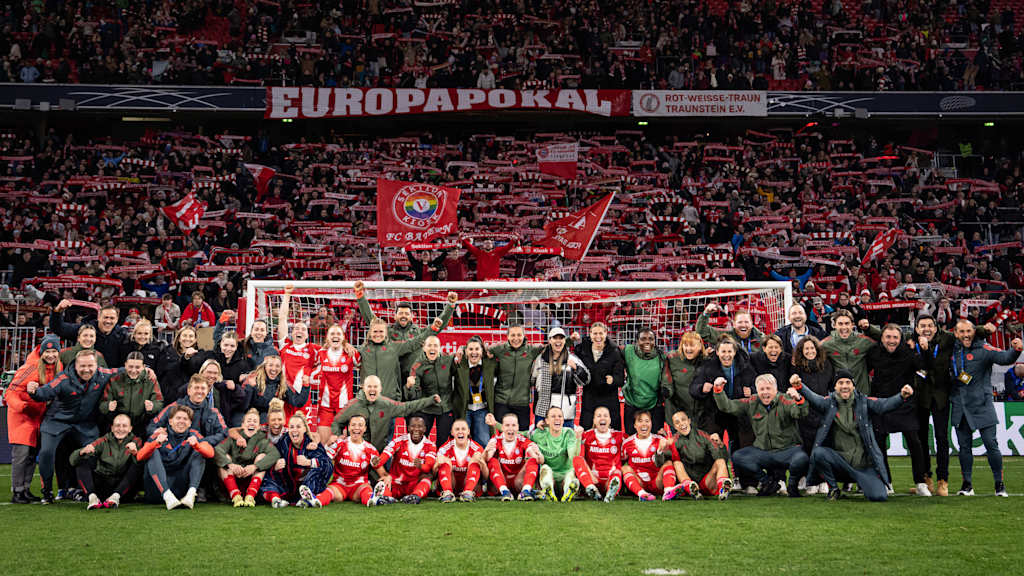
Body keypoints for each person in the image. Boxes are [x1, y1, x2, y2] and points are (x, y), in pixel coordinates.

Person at [27, 349, 141, 504]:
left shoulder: (102, 374)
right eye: (83, 366)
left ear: (96, 365)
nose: (87, 369)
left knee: (94, 450)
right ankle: (47, 492)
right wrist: (33, 391)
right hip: (56, 421)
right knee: (46, 452)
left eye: (90, 365)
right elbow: (45, 392)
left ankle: (90, 490)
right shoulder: (63, 378)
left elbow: (121, 369)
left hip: (84, 424)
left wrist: (147, 370)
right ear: (75, 365)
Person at [793, 369, 915, 502]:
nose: (844, 386)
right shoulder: (829, 402)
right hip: (840, 464)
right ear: (835, 387)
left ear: (853, 386)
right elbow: (814, 398)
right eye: (840, 383)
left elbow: (884, 405)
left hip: (863, 467)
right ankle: (834, 488)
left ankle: (862, 482)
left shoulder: (864, 402)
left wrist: (901, 396)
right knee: (818, 452)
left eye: (847, 382)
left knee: (878, 496)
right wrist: (800, 386)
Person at [910, 314, 992, 497]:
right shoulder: (910, 342)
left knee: (942, 439)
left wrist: (984, 330)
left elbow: (965, 332)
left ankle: (943, 481)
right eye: (922, 326)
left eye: (930, 325)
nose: (926, 329)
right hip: (920, 397)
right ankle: (925, 480)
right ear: (916, 329)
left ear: (936, 327)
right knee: (921, 439)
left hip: (941, 396)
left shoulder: (946, 338)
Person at [948, 320, 1022, 497]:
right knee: (964, 447)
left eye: (969, 331)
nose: (966, 335)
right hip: (960, 406)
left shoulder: (985, 349)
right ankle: (967, 485)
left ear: (974, 332)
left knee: (991, 444)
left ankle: (999, 484)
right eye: (961, 332)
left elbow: (1005, 358)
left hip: (982, 404)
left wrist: (1016, 349)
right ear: (956, 334)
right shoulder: (951, 350)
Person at [714, 374, 808, 497]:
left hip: (787, 450)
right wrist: (718, 389)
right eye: (761, 389)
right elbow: (728, 406)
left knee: (802, 458)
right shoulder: (752, 401)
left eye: (768, 389)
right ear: (757, 390)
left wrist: (798, 399)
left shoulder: (785, 400)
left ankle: (792, 485)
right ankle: (767, 482)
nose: (765, 392)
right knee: (738, 456)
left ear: (776, 389)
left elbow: (800, 413)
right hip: (763, 452)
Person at [357, 286, 457, 401]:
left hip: (414, 378)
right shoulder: (387, 332)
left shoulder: (419, 332)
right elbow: (371, 319)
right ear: (395, 316)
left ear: (412, 316)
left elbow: (437, 327)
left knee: (414, 414)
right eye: (400, 313)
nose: (403, 315)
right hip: (394, 380)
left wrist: (450, 306)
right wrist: (361, 298)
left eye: (406, 313)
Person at [865, 323, 929, 496]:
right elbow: (863, 370)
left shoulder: (909, 354)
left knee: (915, 443)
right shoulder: (873, 353)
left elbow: (924, 369)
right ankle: (887, 482)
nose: (891, 341)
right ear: (882, 338)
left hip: (904, 404)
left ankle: (920, 482)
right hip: (880, 405)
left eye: (895, 337)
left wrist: (915, 385)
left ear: (900, 339)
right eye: (888, 337)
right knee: (879, 446)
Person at [690, 336, 757, 490]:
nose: (726, 355)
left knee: (744, 444)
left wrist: (751, 391)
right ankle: (710, 482)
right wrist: (702, 388)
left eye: (729, 351)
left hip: (739, 412)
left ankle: (747, 482)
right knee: (711, 445)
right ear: (718, 353)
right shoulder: (708, 367)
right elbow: (693, 388)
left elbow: (756, 385)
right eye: (723, 351)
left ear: (734, 352)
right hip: (714, 412)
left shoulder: (745, 366)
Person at [4, 334, 61, 503]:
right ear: (41, 351)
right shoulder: (30, 367)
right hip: (22, 417)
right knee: (21, 455)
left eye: (54, 351)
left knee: (31, 456)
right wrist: (22, 406)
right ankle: (17, 491)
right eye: (47, 351)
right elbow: (10, 392)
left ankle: (25, 489)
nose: (51, 355)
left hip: (38, 417)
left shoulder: (58, 367)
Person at [331, 375, 442, 452]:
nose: (372, 389)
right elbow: (336, 422)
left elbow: (407, 407)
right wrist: (338, 435)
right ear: (363, 388)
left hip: (378, 454)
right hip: (356, 453)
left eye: (375, 387)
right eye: (369, 386)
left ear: (380, 389)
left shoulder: (386, 404)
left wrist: (430, 400)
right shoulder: (353, 405)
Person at [137, 405, 216, 509]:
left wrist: (197, 445)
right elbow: (139, 456)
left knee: (199, 452)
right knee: (152, 452)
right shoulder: (160, 434)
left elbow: (211, 453)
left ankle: (191, 495)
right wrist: (155, 443)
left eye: (185, 419)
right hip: (158, 490)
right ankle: (167, 495)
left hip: (180, 491)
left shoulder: (193, 434)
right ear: (170, 421)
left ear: (190, 423)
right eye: (178, 418)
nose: (181, 421)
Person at [70, 413, 143, 509]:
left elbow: (141, 466)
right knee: (81, 461)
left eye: (124, 426)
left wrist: (135, 453)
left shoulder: (136, 441)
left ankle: (115, 497)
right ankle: (92, 498)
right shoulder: (103, 441)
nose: (120, 429)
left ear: (130, 429)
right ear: (112, 428)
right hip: (103, 484)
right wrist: (82, 452)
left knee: (137, 465)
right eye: (117, 425)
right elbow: (72, 460)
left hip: (123, 488)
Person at [791, 336, 833, 494]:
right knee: (807, 446)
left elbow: (831, 386)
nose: (810, 351)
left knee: (822, 446)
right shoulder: (796, 367)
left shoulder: (826, 365)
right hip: (805, 412)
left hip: (823, 411)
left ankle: (822, 480)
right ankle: (808, 479)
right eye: (806, 349)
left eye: (812, 348)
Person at [263, 413, 333, 508]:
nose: (294, 430)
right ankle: (275, 499)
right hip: (288, 486)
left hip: (308, 483)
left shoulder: (312, 443)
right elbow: (271, 456)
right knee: (267, 471)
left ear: (304, 429)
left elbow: (328, 465)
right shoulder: (284, 441)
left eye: (298, 427)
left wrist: (309, 462)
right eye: (291, 427)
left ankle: (306, 498)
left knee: (317, 470)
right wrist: (275, 465)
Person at [215, 408, 280, 507]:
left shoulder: (263, 440)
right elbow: (218, 450)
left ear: (258, 427)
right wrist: (230, 465)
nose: (252, 423)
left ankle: (250, 496)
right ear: (242, 425)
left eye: (255, 422)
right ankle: (235, 496)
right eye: (249, 421)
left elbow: (275, 454)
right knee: (225, 459)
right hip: (233, 476)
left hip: (250, 478)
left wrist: (255, 467)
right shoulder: (234, 438)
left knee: (262, 456)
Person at [277, 285, 321, 426]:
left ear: (307, 335)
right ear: (292, 332)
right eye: (296, 328)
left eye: (303, 329)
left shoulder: (313, 349)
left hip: (302, 396)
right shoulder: (285, 345)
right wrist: (287, 294)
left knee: (301, 429)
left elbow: (332, 349)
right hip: (283, 393)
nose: (299, 330)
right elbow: (282, 318)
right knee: (281, 428)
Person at [664, 409, 732, 500]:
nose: (681, 424)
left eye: (683, 420)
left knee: (720, 461)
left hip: (707, 481)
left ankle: (723, 490)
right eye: (677, 422)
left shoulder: (703, 435)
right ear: (675, 427)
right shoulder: (674, 441)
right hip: (688, 480)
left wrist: (720, 444)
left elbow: (721, 458)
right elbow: (662, 463)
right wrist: (662, 449)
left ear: (689, 421)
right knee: (676, 463)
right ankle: (691, 488)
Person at [531, 327, 590, 428]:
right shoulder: (540, 359)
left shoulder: (572, 358)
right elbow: (532, 379)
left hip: (565, 413)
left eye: (561, 338)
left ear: (564, 340)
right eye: (555, 338)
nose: (558, 341)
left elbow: (586, 380)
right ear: (550, 340)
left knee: (566, 442)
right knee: (542, 442)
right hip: (543, 413)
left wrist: (576, 368)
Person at [148, 374, 228, 448]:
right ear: (189, 391)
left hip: (199, 452)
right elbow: (152, 426)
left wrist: (200, 442)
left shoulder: (213, 412)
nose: (200, 391)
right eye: (196, 388)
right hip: (173, 451)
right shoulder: (173, 407)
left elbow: (223, 433)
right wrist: (157, 431)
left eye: (203, 388)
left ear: (207, 392)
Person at [489, 324, 544, 430]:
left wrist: (569, 340)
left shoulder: (531, 350)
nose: (516, 338)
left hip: (522, 402)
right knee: (502, 436)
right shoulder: (500, 349)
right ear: (507, 336)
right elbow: (481, 349)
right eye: (512, 335)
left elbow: (552, 347)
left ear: (524, 336)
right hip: (501, 402)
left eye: (519, 335)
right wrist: (461, 349)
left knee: (522, 435)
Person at [312, 324, 359, 443]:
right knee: (323, 442)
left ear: (343, 338)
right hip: (325, 406)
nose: (335, 336)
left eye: (338, 334)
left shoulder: (351, 353)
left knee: (341, 444)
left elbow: (365, 363)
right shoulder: (320, 353)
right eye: (332, 334)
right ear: (327, 338)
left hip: (344, 407)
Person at [573, 322, 625, 430]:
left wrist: (613, 380)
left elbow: (620, 378)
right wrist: (571, 340)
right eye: (595, 333)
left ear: (606, 333)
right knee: (586, 431)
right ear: (590, 334)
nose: (598, 337)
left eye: (601, 333)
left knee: (612, 432)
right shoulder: (582, 349)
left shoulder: (614, 351)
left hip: (608, 397)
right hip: (589, 396)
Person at [100, 351, 164, 437]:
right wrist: (108, 406)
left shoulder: (150, 380)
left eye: (137, 367)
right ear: (125, 365)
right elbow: (102, 404)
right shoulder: (115, 379)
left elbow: (159, 402)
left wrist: (152, 406)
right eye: (130, 367)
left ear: (143, 367)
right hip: (119, 425)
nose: (133, 371)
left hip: (141, 425)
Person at [49, 299, 131, 367]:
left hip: (110, 379)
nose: (108, 321)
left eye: (112, 318)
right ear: (99, 317)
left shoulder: (122, 335)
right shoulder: (85, 330)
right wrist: (57, 311)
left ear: (117, 320)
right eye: (105, 317)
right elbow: (58, 328)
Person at [374, 416, 436, 504]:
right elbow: (385, 456)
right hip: (396, 483)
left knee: (428, 476)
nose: (416, 429)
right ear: (408, 428)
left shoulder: (430, 445)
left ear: (425, 429)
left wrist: (421, 466)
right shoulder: (398, 441)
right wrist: (377, 461)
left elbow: (428, 467)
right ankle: (387, 497)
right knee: (383, 481)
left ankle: (415, 496)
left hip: (413, 485)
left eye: (419, 426)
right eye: (413, 426)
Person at [406, 335, 456, 443]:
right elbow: (414, 394)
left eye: (435, 345)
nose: (432, 348)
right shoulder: (417, 366)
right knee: (420, 439)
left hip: (445, 407)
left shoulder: (448, 360)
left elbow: (460, 368)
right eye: (429, 345)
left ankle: (439, 459)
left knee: (443, 441)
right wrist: (409, 387)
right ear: (424, 348)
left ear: (440, 348)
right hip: (426, 408)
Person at [620, 410, 679, 501]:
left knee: (668, 463)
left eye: (647, 421)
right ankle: (642, 494)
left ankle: (668, 491)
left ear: (651, 424)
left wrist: (660, 450)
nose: (644, 424)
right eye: (640, 421)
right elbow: (620, 462)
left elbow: (667, 461)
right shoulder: (627, 443)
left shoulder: (659, 440)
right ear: (635, 425)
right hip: (639, 483)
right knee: (625, 468)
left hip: (656, 482)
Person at [484, 412, 542, 501]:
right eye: (507, 425)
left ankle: (525, 491)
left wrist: (538, 454)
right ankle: (505, 492)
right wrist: (486, 450)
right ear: (502, 427)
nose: (510, 428)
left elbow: (538, 459)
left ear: (518, 427)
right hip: (499, 484)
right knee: (492, 461)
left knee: (533, 460)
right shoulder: (495, 439)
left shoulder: (522, 439)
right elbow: (487, 458)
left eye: (513, 425)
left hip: (518, 483)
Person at [622, 328, 669, 435]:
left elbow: (667, 378)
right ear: (637, 341)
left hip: (654, 404)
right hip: (632, 403)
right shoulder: (628, 351)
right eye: (643, 339)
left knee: (655, 440)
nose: (647, 342)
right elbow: (611, 351)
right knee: (631, 439)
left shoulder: (661, 357)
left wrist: (666, 390)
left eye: (651, 339)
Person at [453, 336, 498, 447]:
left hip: (482, 410)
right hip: (465, 409)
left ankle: (482, 463)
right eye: (471, 349)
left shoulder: (490, 364)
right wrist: (460, 349)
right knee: (462, 441)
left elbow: (500, 348)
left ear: (482, 351)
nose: (474, 352)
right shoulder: (459, 364)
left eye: (477, 349)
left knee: (483, 442)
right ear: (466, 351)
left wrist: (490, 349)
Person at [575, 407, 625, 502]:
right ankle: (591, 488)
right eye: (599, 416)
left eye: (605, 416)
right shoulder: (586, 436)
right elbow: (578, 455)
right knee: (577, 459)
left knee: (617, 473)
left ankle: (611, 492)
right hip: (593, 478)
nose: (602, 418)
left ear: (610, 420)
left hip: (610, 478)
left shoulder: (620, 436)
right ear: (594, 420)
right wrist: (577, 437)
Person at [531, 406, 581, 502]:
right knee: (545, 468)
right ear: (547, 421)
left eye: (560, 416)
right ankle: (549, 491)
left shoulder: (569, 433)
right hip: (549, 476)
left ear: (563, 420)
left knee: (570, 476)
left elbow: (572, 456)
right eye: (553, 416)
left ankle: (568, 491)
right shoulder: (538, 434)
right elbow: (520, 434)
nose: (557, 418)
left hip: (565, 475)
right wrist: (496, 424)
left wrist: (578, 439)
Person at [821, 309, 876, 393]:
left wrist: (869, 329)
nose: (844, 327)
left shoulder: (863, 341)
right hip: (839, 394)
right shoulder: (826, 344)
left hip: (862, 392)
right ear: (834, 325)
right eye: (840, 324)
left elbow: (885, 341)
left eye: (847, 323)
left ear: (852, 325)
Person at [435, 419, 487, 502]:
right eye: (457, 429)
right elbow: (434, 475)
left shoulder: (477, 448)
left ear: (468, 431)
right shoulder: (444, 449)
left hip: (470, 485)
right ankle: (447, 493)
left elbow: (486, 476)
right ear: (452, 432)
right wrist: (437, 465)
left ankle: (468, 493)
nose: (460, 432)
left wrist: (482, 463)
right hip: (451, 484)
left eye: (463, 429)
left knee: (475, 461)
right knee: (444, 461)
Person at [246, 353, 309, 422]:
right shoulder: (255, 379)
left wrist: (305, 386)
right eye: (270, 365)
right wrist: (251, 387)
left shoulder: (282, 384)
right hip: (252, 417)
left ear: (280, 368)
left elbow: (297, 402)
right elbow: (245, 405)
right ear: (265, 366)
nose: (274, 369)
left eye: (277, 366)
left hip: (271, 420)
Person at [664, 331, 705, 435]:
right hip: (677, 413)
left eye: (692, 346)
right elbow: (666, 379)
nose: (688, 349)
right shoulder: (672, 359)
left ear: (700, 346)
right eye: (685, 345)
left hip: (698, 415)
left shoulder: (706, 360)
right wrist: (667, 391)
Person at [697, 302, 764, 356]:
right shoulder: (726, 337)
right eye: (740, 322)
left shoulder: (761, 339)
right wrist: (706, 314)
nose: (743, 325)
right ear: (734, 324)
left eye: (746, 322)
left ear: (752, 324)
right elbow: (702, 332)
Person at [155, 326, 198, 402]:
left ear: (195, 340)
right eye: (184, 335)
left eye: (191, 336)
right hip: (169, 395)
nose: (187, 339)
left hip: (188, 397)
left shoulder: (198, 355)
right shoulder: (167, 351)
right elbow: (160, 372)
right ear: (179, 338)